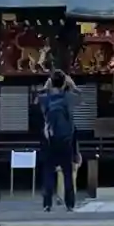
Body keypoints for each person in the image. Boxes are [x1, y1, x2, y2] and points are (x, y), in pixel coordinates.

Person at [34, 70, 80, 212]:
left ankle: (47, 203)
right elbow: (80, 97)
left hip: (49, 139)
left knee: (48, 172)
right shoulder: (68, 97)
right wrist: (72, 85)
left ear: (51, 82)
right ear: (64, 83)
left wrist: (45, 88)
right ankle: (70, 204)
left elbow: (36, 100)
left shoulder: (45, 99)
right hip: (66, 140)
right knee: (67, 173)